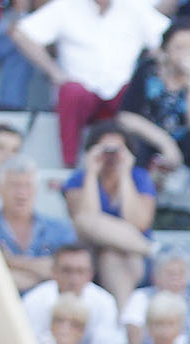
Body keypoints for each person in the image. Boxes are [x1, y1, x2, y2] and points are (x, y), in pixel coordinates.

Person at [12, 0, 169, 167]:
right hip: (80, 93)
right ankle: (69, 166)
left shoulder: (134, 7)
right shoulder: (65, 6)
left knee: (138, 94)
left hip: (121, 94)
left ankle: (138, 170)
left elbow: (169, 38)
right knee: (71, 91)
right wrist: (54, 72)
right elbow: (21, 33)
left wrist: (156, 67)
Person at [117, 19, 190, 226]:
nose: (187, 53)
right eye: (180, 47)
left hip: (186, 135)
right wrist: (165, 143)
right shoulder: (147, 71)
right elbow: (126, 115)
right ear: (165, 50)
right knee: (134, 150)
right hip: (150, 134)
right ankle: (134, 214)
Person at [62, 120, 156, 311]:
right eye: (106, 149)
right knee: (89, 226)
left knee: (112, 256)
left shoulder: (139, 177)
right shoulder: (78, 180)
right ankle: (154, 250)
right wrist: (91, 173)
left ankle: (122, 320)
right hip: (93, 252)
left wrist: (124, 174)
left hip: (130, 255)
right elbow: (87, 220)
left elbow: (138, 223)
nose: (111, 155)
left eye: (117, 150)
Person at [0, 156, 77, 296]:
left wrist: (11, 262)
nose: (21, 193)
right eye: (14, 185)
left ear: (36, 189)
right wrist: (41, 274)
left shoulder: (59, 228)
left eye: (27, 186)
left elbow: (69, 271)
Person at [22, 243, 121, 344]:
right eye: (67, 271)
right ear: (54, 272)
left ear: (90, 274)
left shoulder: (105, 302)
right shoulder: (34, 301)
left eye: (80, 271)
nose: (74, 279)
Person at [122, 244, 190, 344]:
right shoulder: (140, 297)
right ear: (155, 276)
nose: (176, 279)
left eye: (181, 273)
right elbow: (134, 340)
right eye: (171, 274)